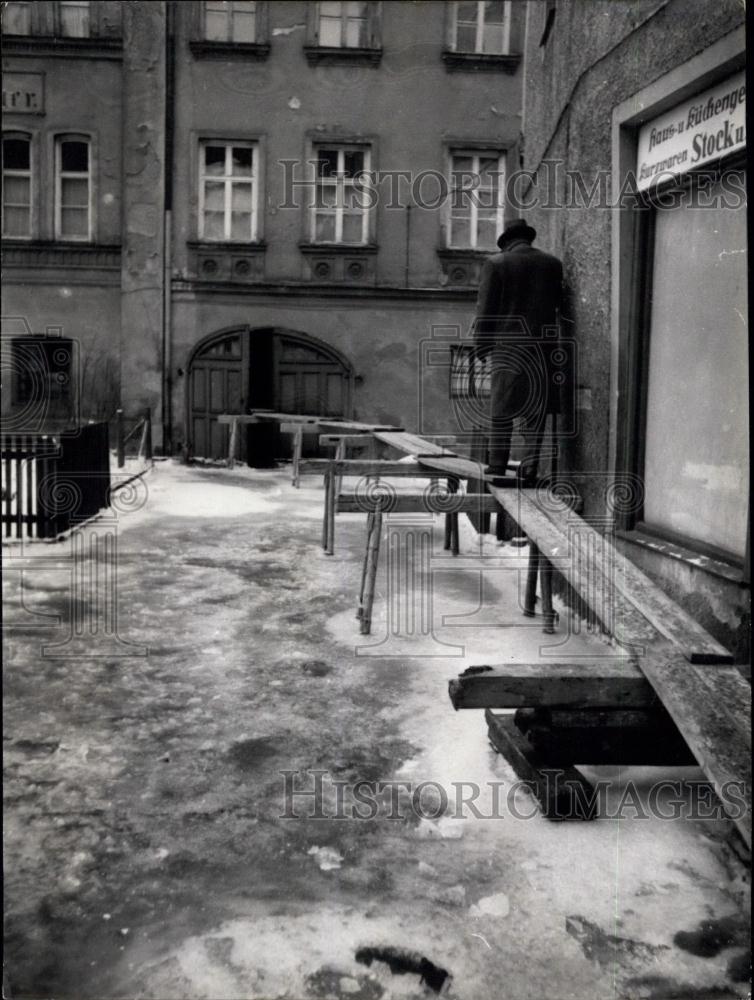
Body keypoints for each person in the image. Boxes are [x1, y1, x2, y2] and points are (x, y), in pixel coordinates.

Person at [472, 218, 563, 485]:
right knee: (535, 408)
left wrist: (481, 347)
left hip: (508, 348)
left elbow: (485, 309)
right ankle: (530, 467)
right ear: (527, 238)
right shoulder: (552, 264)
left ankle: (497, 464)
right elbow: (558, 305)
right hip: (543, 348)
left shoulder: (497, 264)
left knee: (502, 407)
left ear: (506, 242)